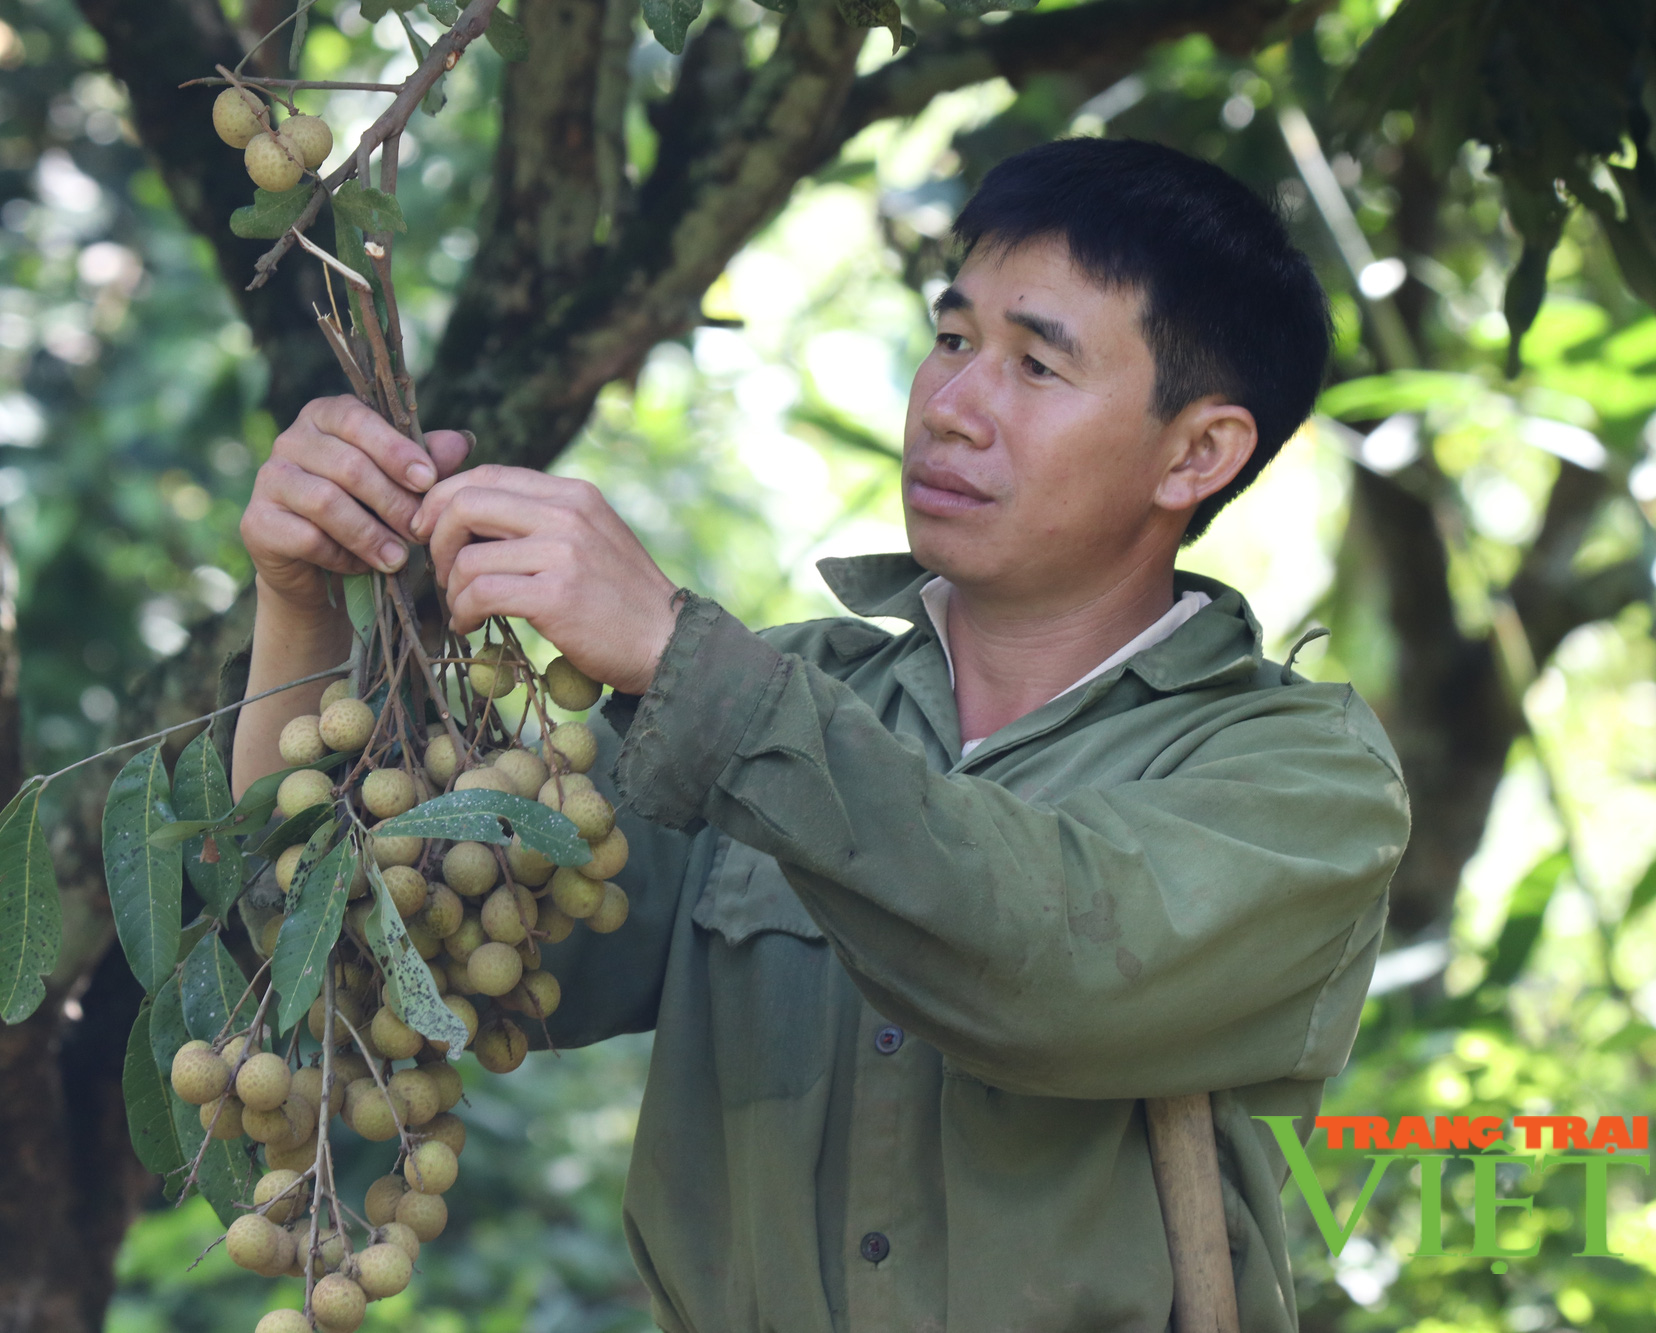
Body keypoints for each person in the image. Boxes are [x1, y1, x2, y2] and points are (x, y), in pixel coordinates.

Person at [233, 137, 1410, 1332]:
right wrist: (302, 604)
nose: (951, 408)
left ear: (1196, 452)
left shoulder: (1294, 775)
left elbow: (1046, 969)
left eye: (1035, 367)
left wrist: (681, 657)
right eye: (951, 341)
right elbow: (396, 968)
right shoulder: (787, 694)